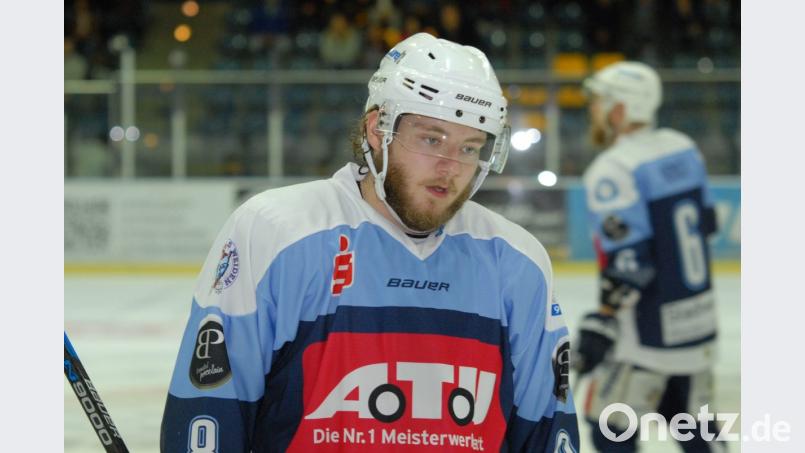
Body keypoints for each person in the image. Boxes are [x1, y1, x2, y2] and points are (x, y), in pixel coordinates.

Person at [160, 32, 580, 452]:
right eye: (431, 139)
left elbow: (548, 430)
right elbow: (211, 405)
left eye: (469, 147)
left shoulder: (517, 261)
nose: (450, 166)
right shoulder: (278, 231)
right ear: (377, 131)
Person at [574, 61, 724, 452]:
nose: (593, 110)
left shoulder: (613, 168)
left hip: (645, 337)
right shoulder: (684, 147)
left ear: (620, 110)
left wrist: (604, 319)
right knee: (696, 430)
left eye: (599, 102)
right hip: (697, 323)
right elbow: (707, 223)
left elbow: (630, 264)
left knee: (608, 431)